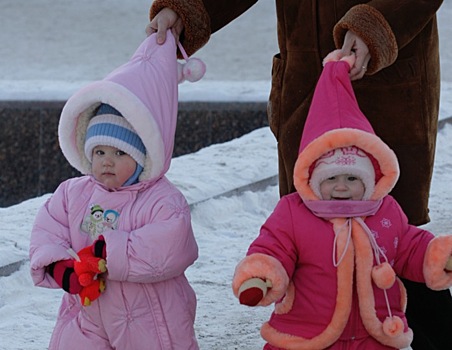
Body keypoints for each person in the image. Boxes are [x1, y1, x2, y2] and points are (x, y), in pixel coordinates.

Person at [147, 1, 452, 349]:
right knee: (307, 240)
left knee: (392, 241)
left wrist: (375, 24)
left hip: (387, 86)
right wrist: (188, 8)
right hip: (305, 86)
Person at [231, 53, 452, 350]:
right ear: (314, 179)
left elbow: (410, 246)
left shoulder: (384, 210)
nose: (341, 188)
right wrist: (261, 275)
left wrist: (438, 257)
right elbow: (273, 247)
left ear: (369, 180)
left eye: (352, 179)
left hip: (372, 336)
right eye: (331, 179)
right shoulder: (294, 213)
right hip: (307, 336)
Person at [29, 31, 203, 349]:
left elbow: (171, 246)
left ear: (141, 156)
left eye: (120, 153)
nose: (107, 162)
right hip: (89, 310)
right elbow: (47, 230)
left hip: (152, 315)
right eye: (99, 153)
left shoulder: (162, 199)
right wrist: (61, 268)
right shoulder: (73, 193)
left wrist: (106, 253)